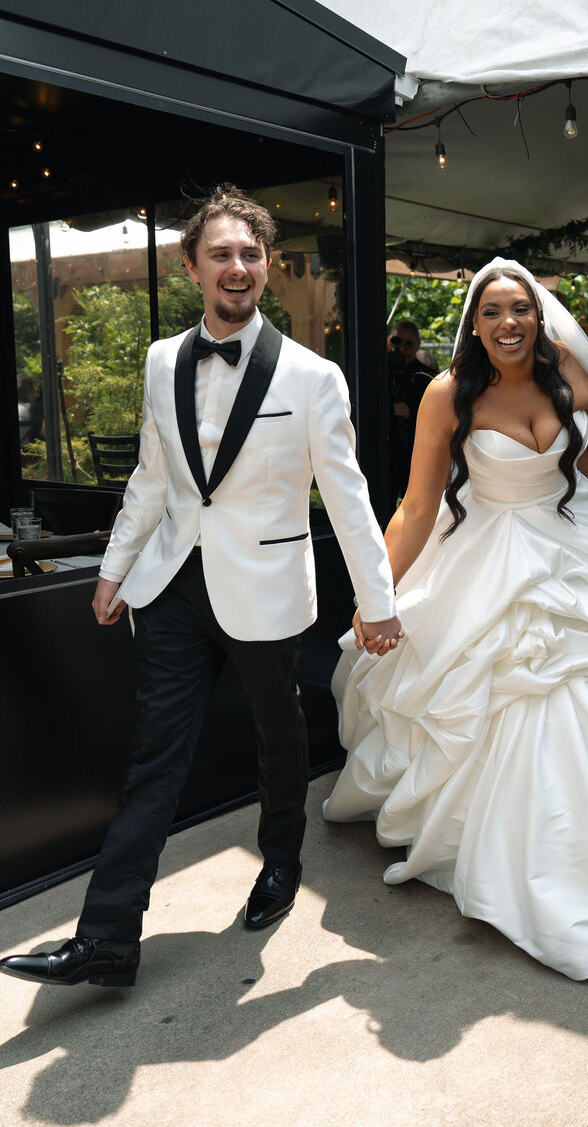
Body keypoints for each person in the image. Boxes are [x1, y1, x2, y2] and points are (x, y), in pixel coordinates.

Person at [0, 186, 402, 990]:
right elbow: (154, 477)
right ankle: (109, 936)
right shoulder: (158, 361)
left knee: (278, 733)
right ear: (192, 267)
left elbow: (349, 496)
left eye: (250, 253)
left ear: (266, 266)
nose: (238, 267)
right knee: (156, 753)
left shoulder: (313, 376)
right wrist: (114, 570)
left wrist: (379, 601)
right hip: (176, 582)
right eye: (221, 253)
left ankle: (280, 861)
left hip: (265, 585)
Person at [323, 257, 588, 982]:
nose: (507, 323)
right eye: (490, 311)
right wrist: (378, 595)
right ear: (473, 323)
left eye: (519, 308)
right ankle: (534, 873)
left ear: (538, 315)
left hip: (568, 554)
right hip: (485, 556)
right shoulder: (447, 392)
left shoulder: (572, 381)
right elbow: (418, 506)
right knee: (497, 698)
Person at [387, 320, 434, 503]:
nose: (403, 348)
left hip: (412, 452)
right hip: (386, 453)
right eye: (397, 342)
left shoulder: (426, 377)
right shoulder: (380, 371)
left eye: (409, 344)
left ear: (418, 345)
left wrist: (410, 413)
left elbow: (437, 422)